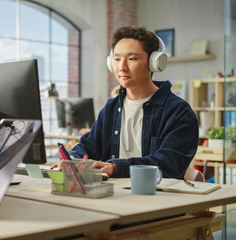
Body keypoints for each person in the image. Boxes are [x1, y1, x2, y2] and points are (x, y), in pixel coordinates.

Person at [52, 26, 198, 179]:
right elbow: (88, 145)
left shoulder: (179, 112)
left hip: (157, 197)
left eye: (132, 59)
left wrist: (116, 168)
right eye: (116, 59)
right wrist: (73, 158)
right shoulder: (111, 108)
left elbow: (170, 164)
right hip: (115, 195)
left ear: (154, 62)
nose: (122, 67)